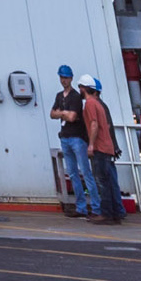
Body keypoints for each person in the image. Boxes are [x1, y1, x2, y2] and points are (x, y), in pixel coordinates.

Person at [80, 79, 125, 223]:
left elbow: (94, 124)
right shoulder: (100, 104)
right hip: (107, 147)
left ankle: (106, 213)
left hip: (100, 147)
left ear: (83, 88)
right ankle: (115, 212)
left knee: (102, 181)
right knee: (109, 181)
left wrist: (91, 145)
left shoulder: (90, 104)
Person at [51, 65, 92, 218]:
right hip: (66, 136)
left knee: (85, 172)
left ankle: (94, 206)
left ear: (71, 78)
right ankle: (81, 206)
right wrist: (64, 113)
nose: (64, 80)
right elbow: (52, 114)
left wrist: (60, 113)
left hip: (77, 137)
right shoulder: (59, 96)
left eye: (66, 77)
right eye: (62, 77)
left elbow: (73, 117)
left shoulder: (75, 96)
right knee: (74, 173)